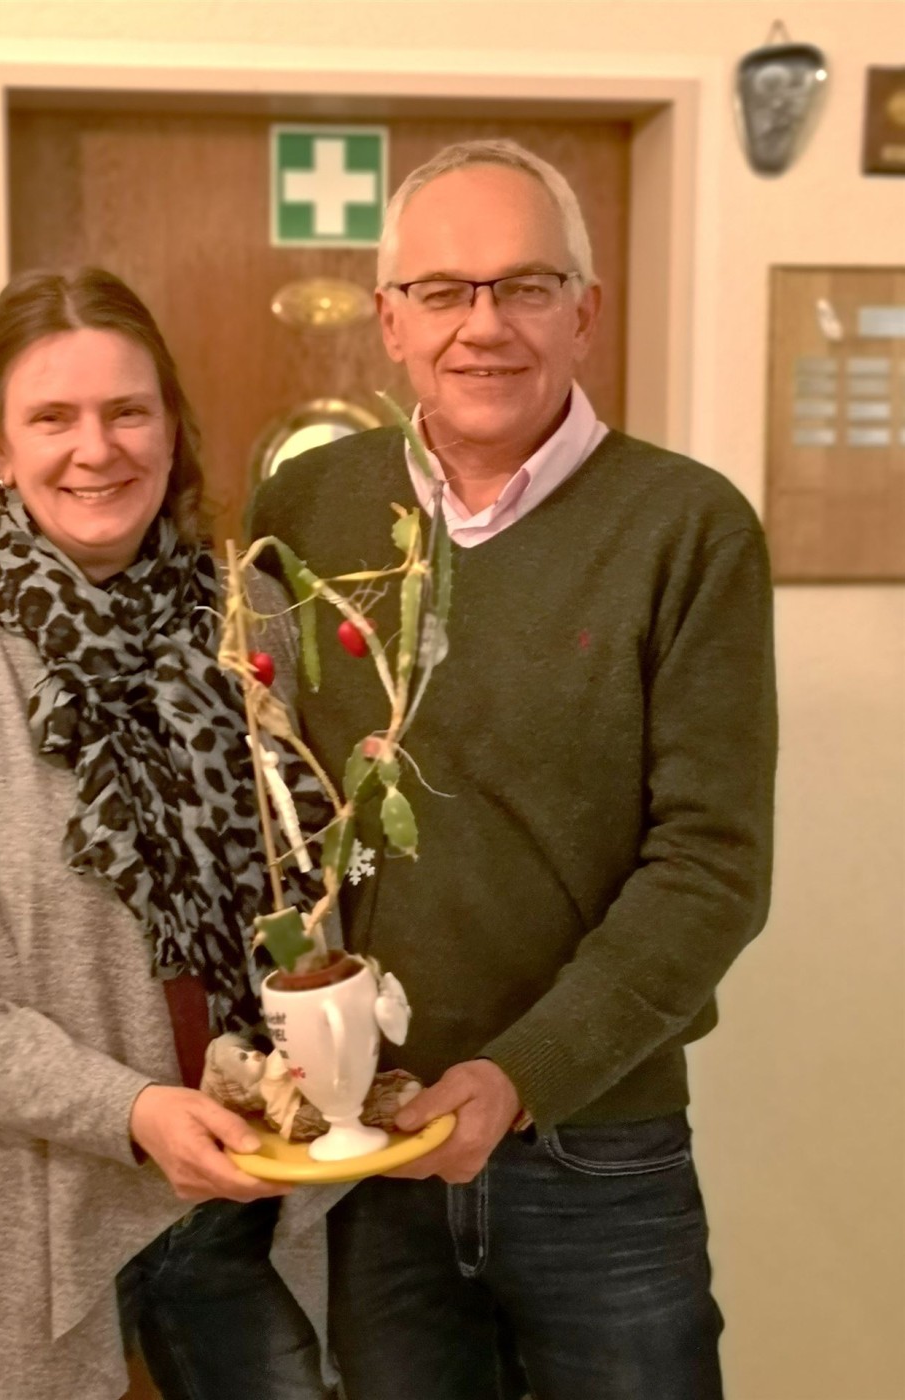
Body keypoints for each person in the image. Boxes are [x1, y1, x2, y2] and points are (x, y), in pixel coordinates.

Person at [249, 139, 777, 1400]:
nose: (482, 324)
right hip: (372, 1150)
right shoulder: (302, 512)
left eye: (526, 286)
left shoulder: (687, 528)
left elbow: (712, 867)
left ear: (584, 311)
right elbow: (265, 795)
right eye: (442, 289)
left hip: (600, 1151)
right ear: (390, 320)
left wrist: (522, 1076)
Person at [0, 268, 331, 1400]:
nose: (96, 448)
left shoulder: (259, 622)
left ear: (171, 432)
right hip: (38, 1211)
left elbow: (327, 877)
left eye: (127, 410)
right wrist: (129, 1111)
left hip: (257, 1192)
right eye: (51, 417)